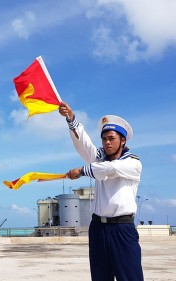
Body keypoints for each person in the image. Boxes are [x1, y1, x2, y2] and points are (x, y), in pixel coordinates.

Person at [59, 101, 144, 281]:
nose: (107, 142)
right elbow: (84, 145)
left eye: (111, 138)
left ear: (123, 140)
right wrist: (71, 119)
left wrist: (82, 171)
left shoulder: (133, 163)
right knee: (99, 277)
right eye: (104, 139)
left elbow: (110, 169)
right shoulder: (99, 160)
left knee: (130, 277)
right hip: (98, 228)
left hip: (122, 229)